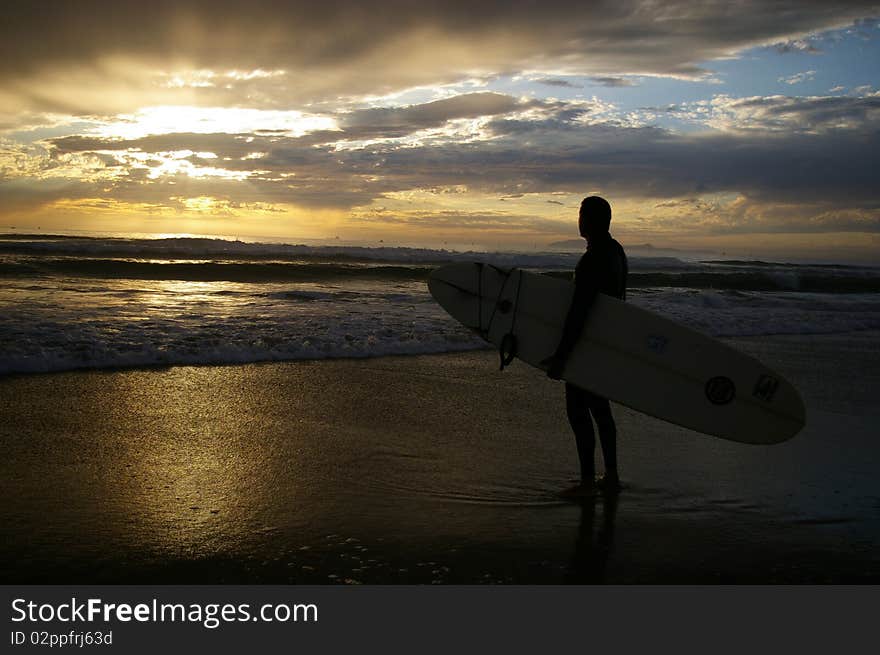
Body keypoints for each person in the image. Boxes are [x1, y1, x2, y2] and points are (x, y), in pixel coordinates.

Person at [541, 196, 627, 497]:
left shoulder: (592, 259)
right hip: (604, 345)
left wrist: (562, 356)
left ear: (592, 220)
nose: (578, 220)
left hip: (586, 347)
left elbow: (579, 312)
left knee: (578, 413)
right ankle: (612, 476)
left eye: (581, 214)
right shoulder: (616, 251)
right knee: (601, 411)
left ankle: (588, 483)